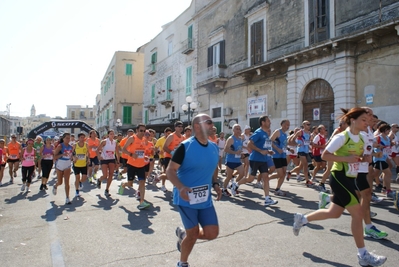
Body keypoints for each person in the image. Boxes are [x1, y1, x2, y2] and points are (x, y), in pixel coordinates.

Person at [292, 107, 387, 267]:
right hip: (339, 177)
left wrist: (365, 158)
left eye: (367, 119)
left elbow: (358, 158)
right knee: (358, 214)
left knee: (334, 213)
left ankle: (303, 219)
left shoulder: (362, 138)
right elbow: (325, 155)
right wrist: (346, 159)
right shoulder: (343, 137)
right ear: (353, 121)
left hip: (351, 178)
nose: (367, 122)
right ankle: (363, 254)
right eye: (364, 120)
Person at [166, 114, 221, 267]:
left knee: (212, 233)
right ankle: (182, 263)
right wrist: (181, 186)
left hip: (204, 198)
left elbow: (213, 168)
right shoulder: (185, 147)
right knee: (193, 234)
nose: (213, 124)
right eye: (209, 122)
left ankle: (183, 234)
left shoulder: (214, 147)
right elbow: (170, 170)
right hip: (186, 198)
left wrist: (215, 183)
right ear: (197, 126)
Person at [230, 116, 278, 206]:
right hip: (255, 159)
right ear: (263, 123)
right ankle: (236, 184)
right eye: (268, 121)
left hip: (263, 160)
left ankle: (267, 198)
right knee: (250, 179)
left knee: (266, 178)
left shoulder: (266, 133)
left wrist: (268, 151)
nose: (270, 122)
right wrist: (260, 151)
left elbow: (263, 146)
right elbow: (249, 144)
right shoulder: (258, 132)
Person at [121, 123, 151, 210]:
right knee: (130, 184)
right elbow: (123, 149)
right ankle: (123, 185)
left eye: (144, 131)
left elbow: (142, 151)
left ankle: (142, 202)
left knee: (142, 182)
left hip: (141, 165)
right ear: (137, 130)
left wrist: (144, 156)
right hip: (131, 165)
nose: (143, 132)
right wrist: (131, 154)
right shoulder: (132, 138)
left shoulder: (144, 140)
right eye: (141, 130)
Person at [156, 121, 185, 191]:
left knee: (177, 175)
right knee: (170, 174)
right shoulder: (171, 136)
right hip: (169, 157)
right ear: (175, 128)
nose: (181, 128)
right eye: (179, 126)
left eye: (181, 126)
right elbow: (164, 147)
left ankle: (160, 177)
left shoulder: (183, 137)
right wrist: (172, 152)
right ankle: (162, 183)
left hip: (178, 158)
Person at [269, 119, 290, 196]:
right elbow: (269, 141)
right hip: (276, 155)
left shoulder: (285, 134)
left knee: (283, 173)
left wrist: (288, 148)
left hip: (283, 155)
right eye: (286, 125)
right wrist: (277, 149)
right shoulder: (278, 132)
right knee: (280, 174)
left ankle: (277, 189)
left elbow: (283, 145)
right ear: (282, 124)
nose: (287, 126)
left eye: (288, 125)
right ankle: (266, 179)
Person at [96, 129, 120, 197]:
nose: (112, 135)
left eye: (113, 134)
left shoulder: (115, 142)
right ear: (108, 135)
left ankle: (107, 189)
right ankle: (99, 180)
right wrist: (99, 156)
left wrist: (118, 161)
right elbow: (98, 150)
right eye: (111, 134)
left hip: (112, 159)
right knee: (105, 175)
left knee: (111, 174)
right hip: (104, 159)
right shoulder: (104, 141)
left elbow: (117, 152)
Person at [222, 124, 244, 197]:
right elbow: (225, 149)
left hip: (237, 160)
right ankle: (224, 189)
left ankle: (233, 185)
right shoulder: (231, 139)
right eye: (237, 129)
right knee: (229, 176)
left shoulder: (240, 139)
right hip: (230, 160)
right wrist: (235, 152)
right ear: (233, 130)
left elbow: (239, 149)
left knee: (242, 173)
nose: (238, 130)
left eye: (239, 129)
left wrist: (241, 154)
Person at [289, 121, 313, 186]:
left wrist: (311, 145)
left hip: (306, 150)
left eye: (309, 124)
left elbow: (308, 142)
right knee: (305, 165)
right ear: (304, 125)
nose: (309, 125)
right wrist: (297, 144)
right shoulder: (300, 132)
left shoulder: (309, 133)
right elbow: (292, 139)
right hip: (301, 150)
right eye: (308, 124)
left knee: (300, 166)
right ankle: (307, 180)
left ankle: (289, 173)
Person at [53, 133, 73, 204]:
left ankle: (67, 198)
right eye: (67, 138)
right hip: (60, 164)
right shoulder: (60, 146)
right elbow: (54, 156)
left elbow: (72, 156)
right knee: (60, 182)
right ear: (63, 138)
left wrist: (73, 158)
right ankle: (55, 186)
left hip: (67, 164)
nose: (68, 139)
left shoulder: (71, 147)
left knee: (67, 182)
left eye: (69, 138)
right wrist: (62, 154)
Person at [72, 133, 90, 197]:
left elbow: (88, 153)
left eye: (83, 137)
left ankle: (80, 182)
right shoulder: (75, 145)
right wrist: (74, 157)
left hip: (84, 164)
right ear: (78, 138)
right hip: (76, 164)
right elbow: (71, 153)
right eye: (81, 137)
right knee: (77, 178)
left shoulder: (86, 145)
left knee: (84, 178)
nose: (82, 139)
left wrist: (88, 159)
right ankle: (77, 191)